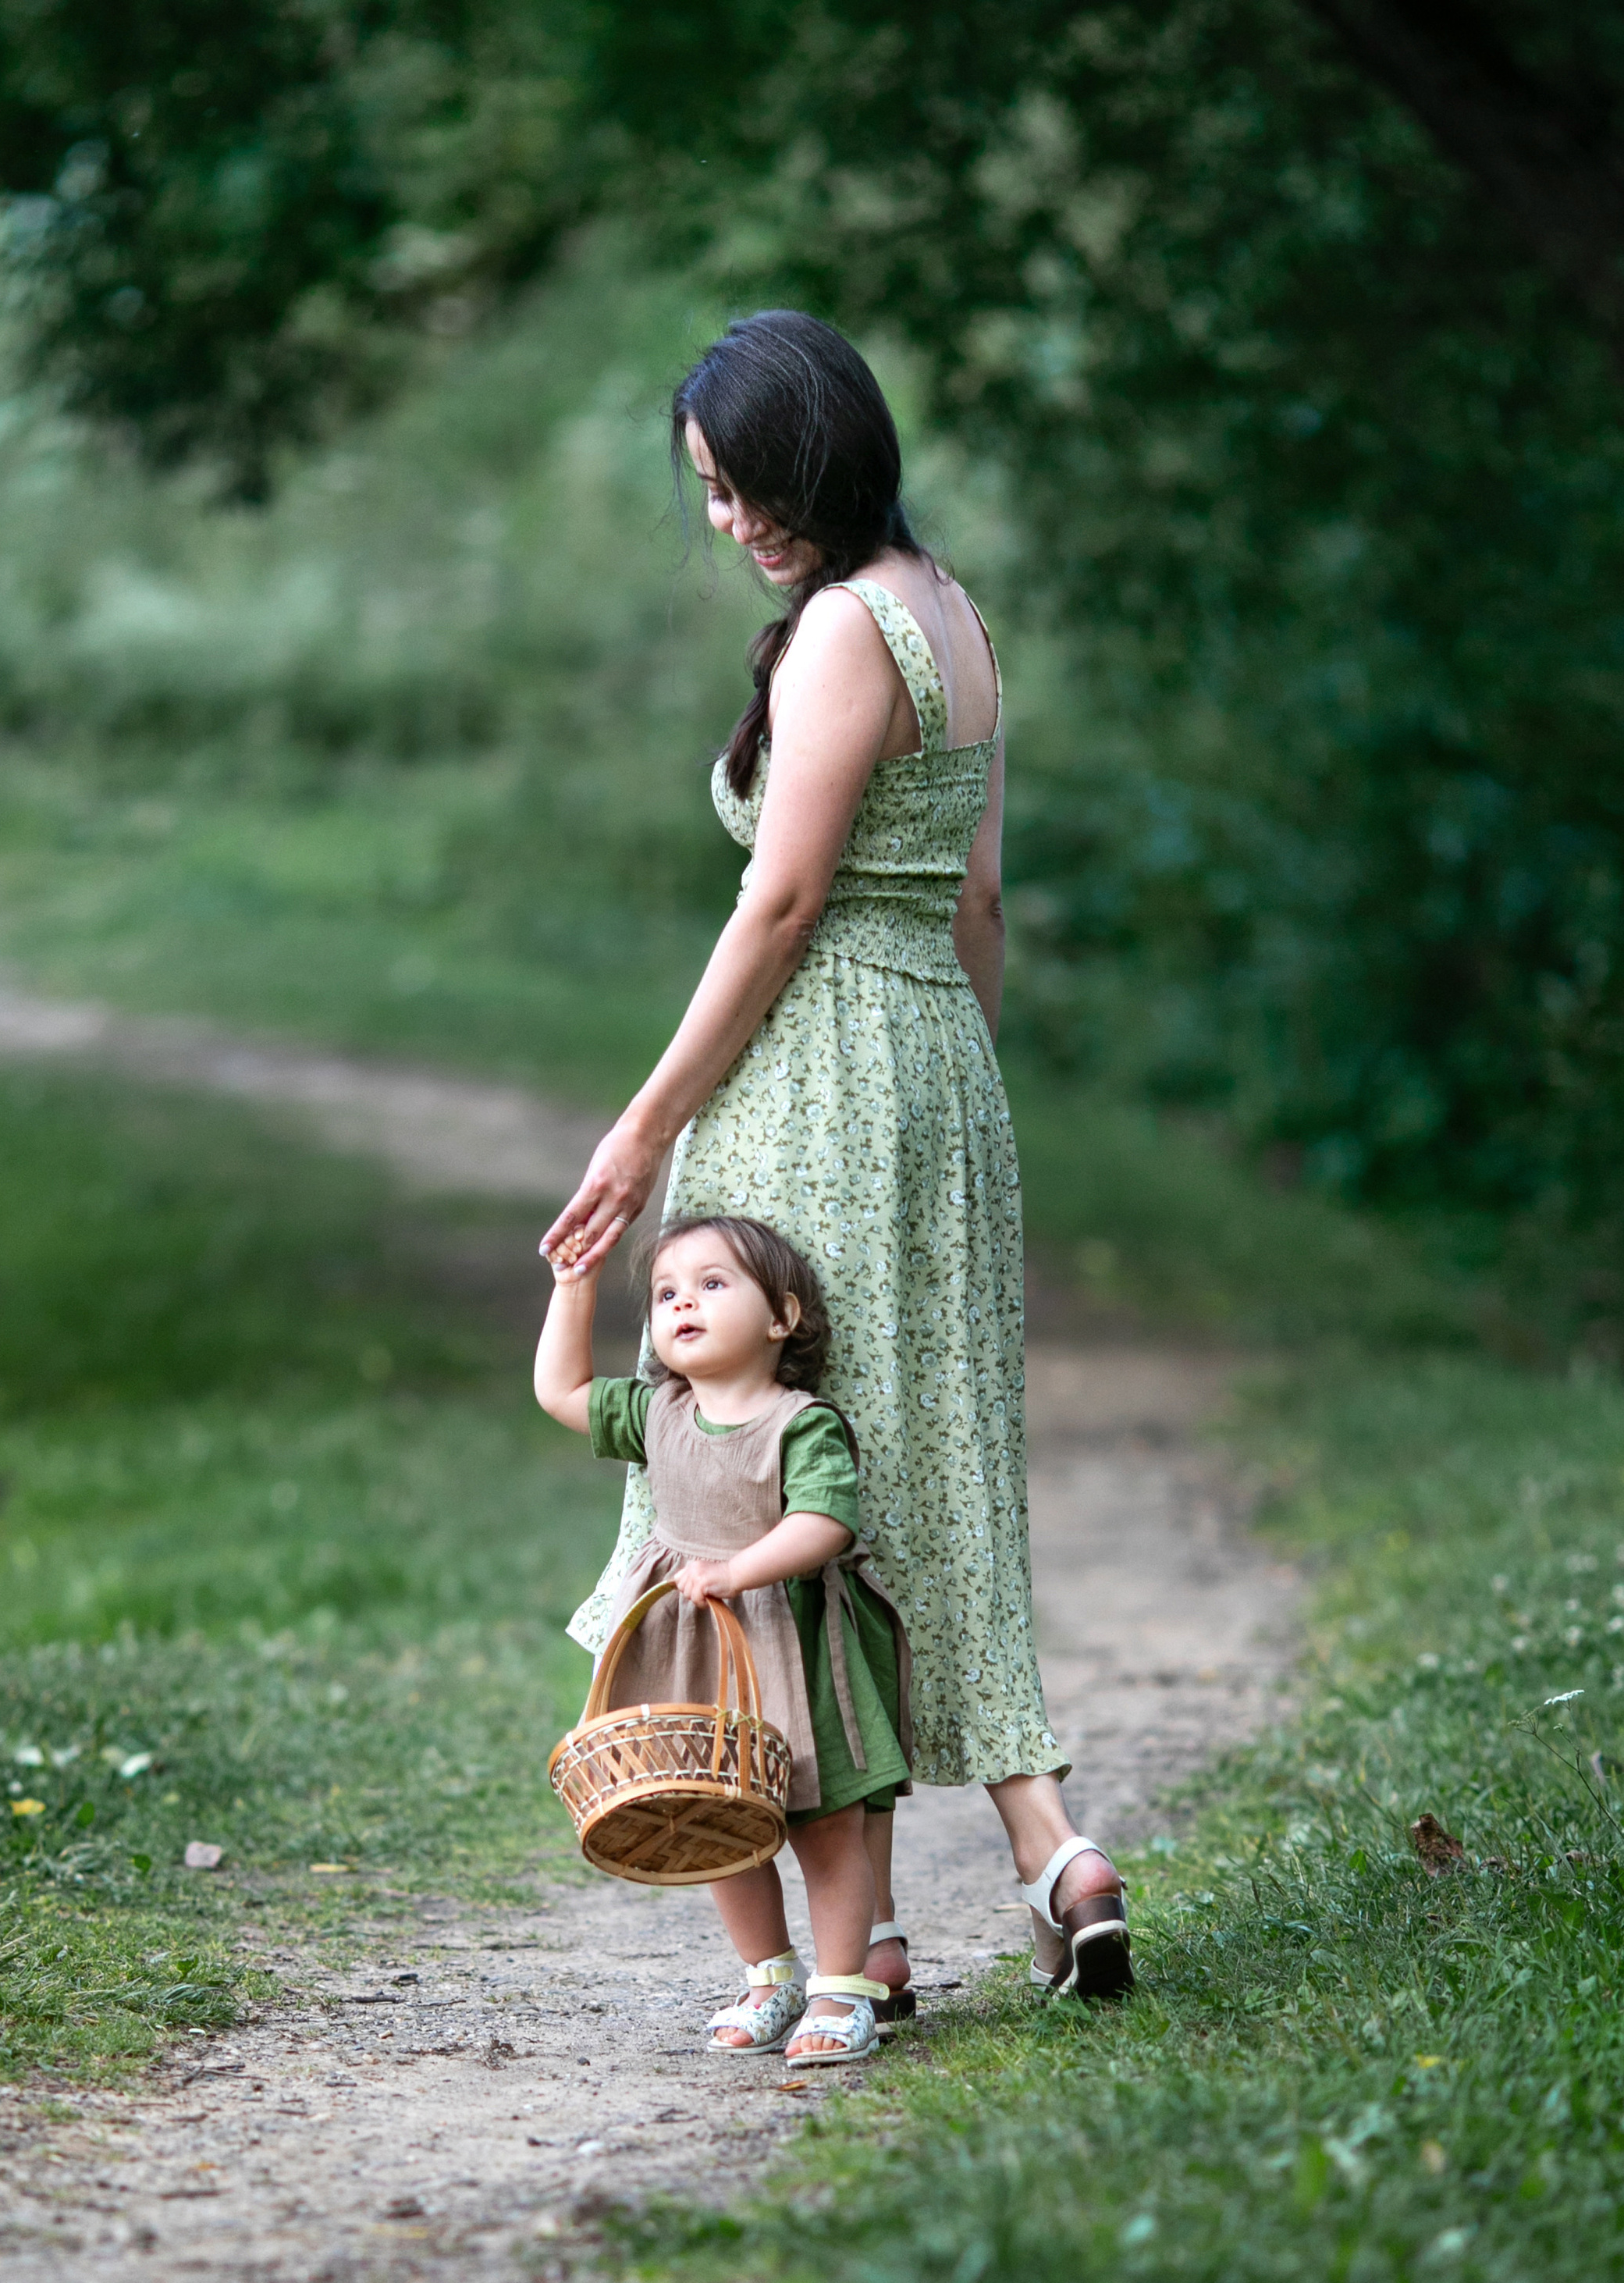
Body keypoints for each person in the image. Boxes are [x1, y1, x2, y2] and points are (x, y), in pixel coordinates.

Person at [543, 310, 1132, 2001]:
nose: (730, 520)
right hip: (939, 1064)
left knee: (773, 1450)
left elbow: (785, 900)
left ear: (822, 457)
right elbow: (979, 901)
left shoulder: (841, 633)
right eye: (709, 493)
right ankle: (1043, 1850)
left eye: (747, 485)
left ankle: (856, 1920)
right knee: (929, 1457)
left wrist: (645, 1122)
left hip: (820, 1071)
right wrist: (965, 1102)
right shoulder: (955, 617)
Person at [536, 1212, 912, 2063]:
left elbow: (824, 1521)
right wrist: (573, 1286)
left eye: (712, 1284)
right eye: (666, 1292)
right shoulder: (658, 1412)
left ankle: (841, 1988)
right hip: (696, 1650)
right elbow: (560, 1392)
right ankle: (769, 1976)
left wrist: (740, 1569)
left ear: (782, 1318)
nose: (683, 1303)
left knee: (825, 1824)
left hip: (792, 1646)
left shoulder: (799, 1422)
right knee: (715, 1815)